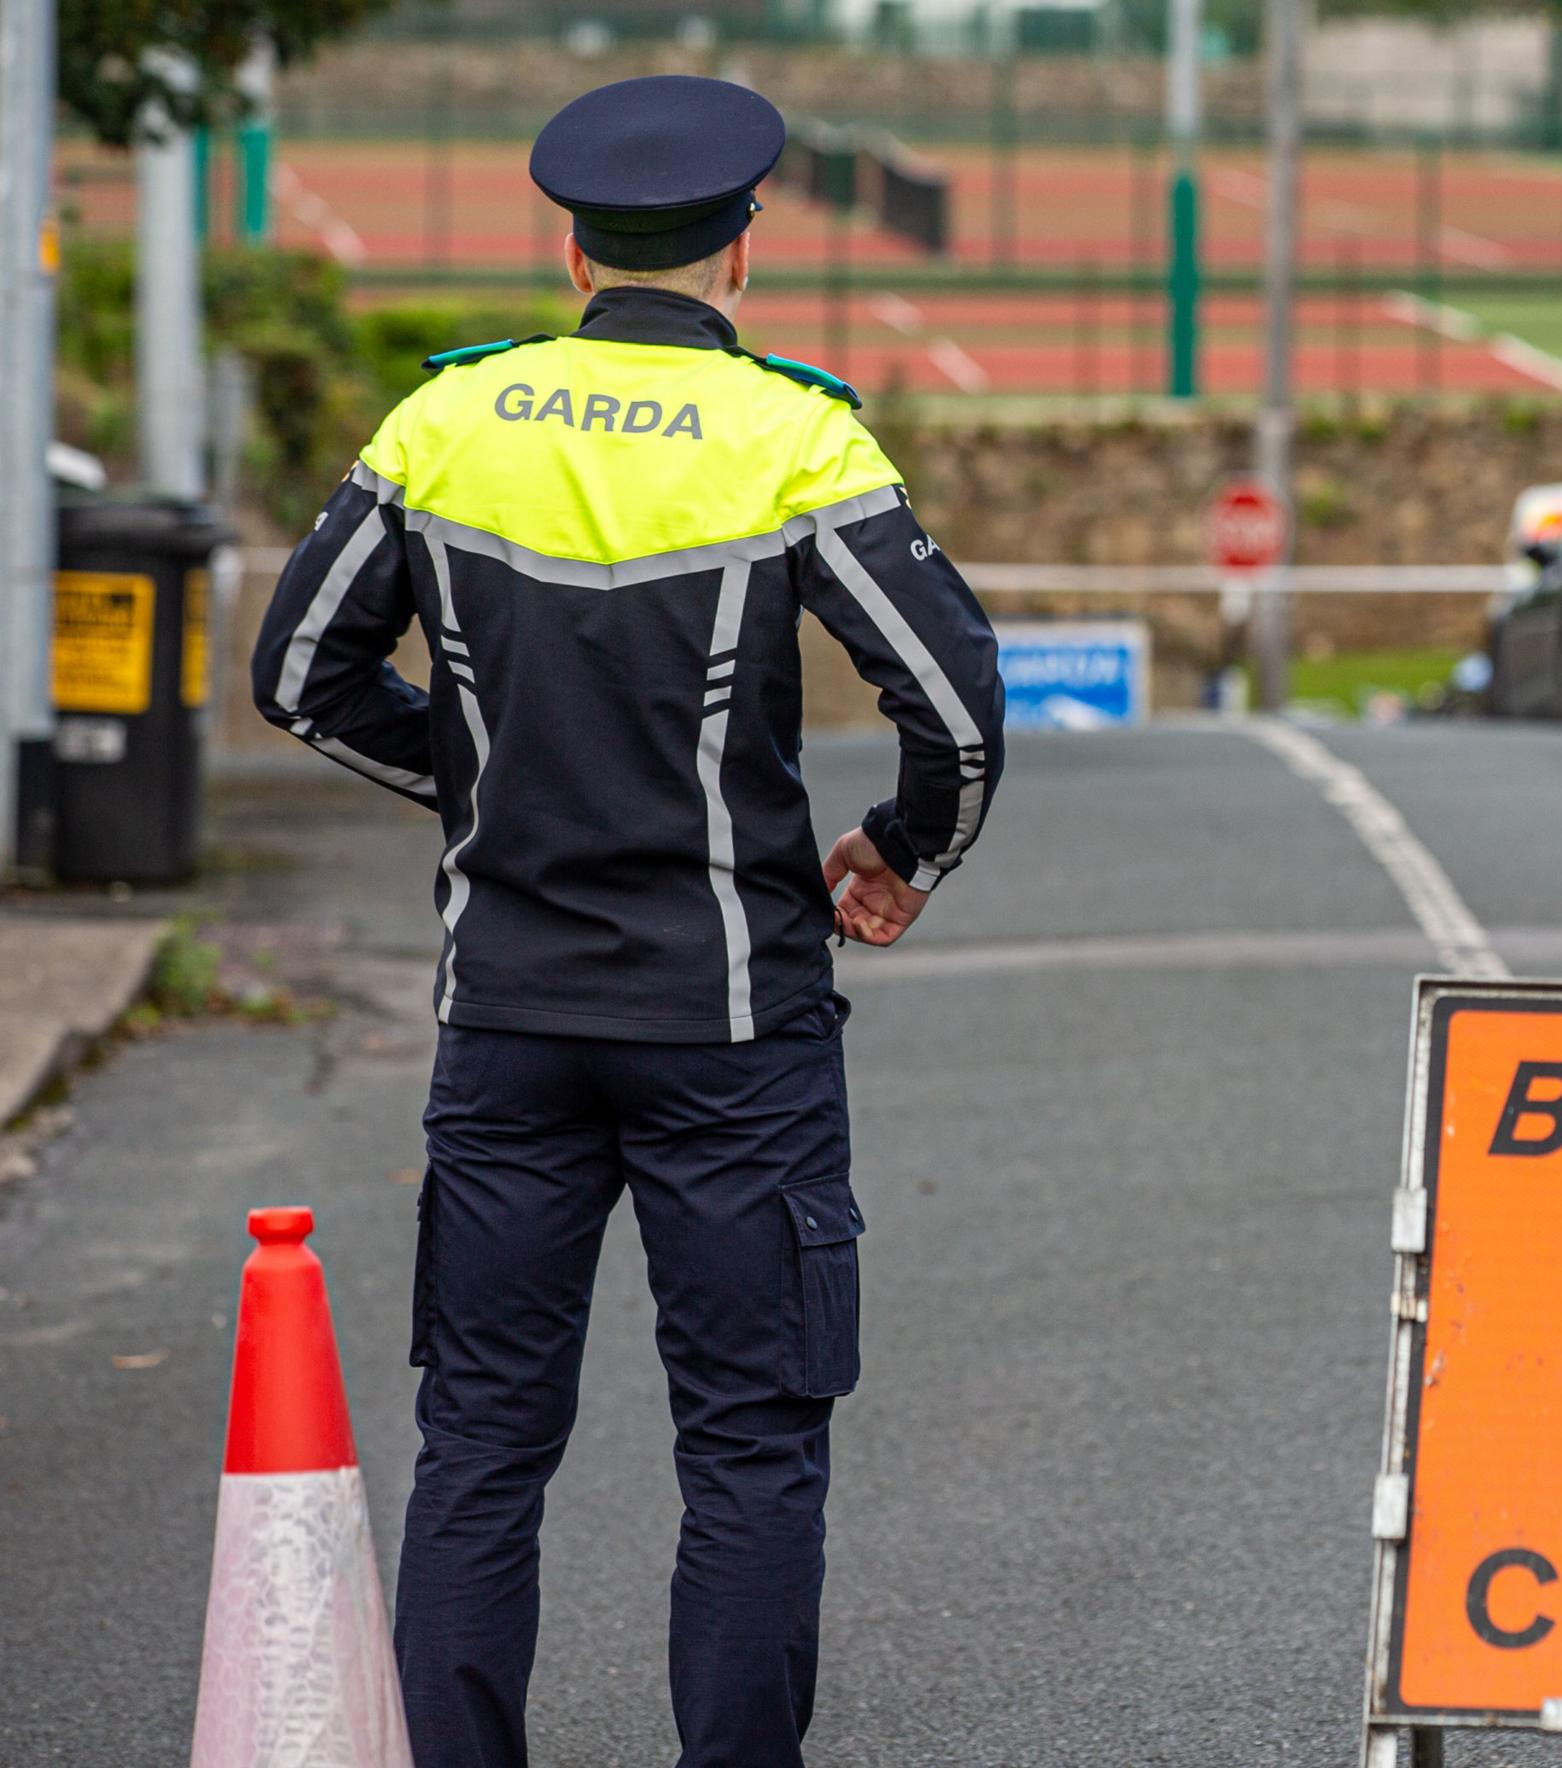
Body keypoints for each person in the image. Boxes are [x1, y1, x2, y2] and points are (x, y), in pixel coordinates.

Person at [248, 75, 1005, 1768]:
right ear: (746, 249)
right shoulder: (795, 434)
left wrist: (478, 784)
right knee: (748, 1445)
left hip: (504, 1011)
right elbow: (954, 708)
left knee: (482, 1443)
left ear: (571, 250)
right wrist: (897, 849)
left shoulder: (447, 425)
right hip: (732, 1018)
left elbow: (297, 674)